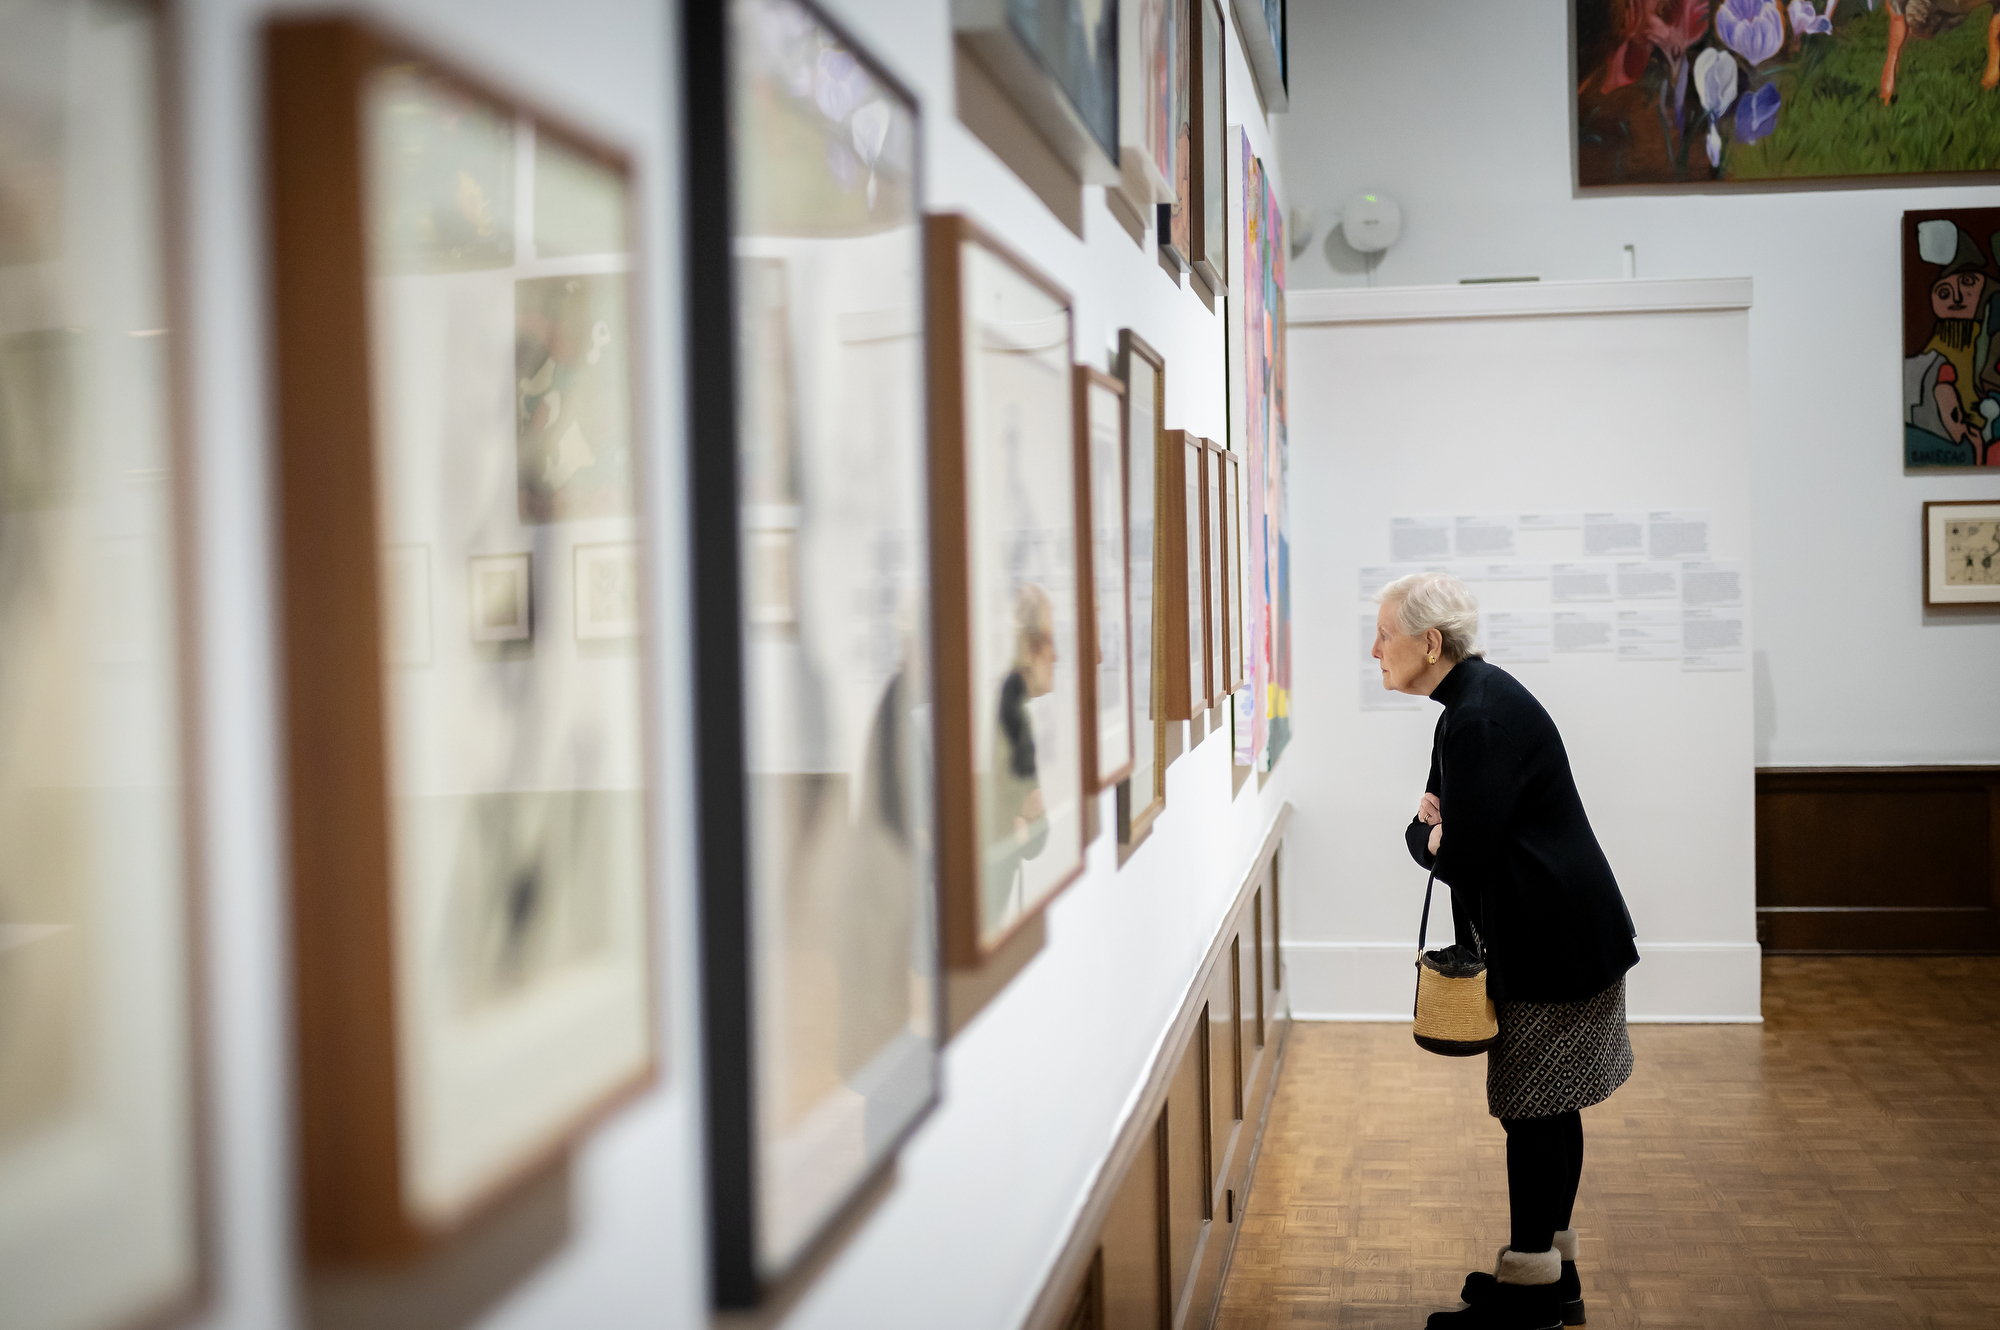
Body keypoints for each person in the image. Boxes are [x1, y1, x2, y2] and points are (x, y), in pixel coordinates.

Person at [1370, 571, 1639, 1330]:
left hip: (1552, 941)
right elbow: (1436, 832)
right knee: (1551, 1108)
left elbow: (1461, 853)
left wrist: (1436, 834)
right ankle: (1550, 1278)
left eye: (1384, 634)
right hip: (1558, 931)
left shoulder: (1478, 717)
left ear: (1429, 642)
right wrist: (1437, 832)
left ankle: (1531, 1297)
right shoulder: (1467, 704)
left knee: (1533, 1110)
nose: (1374, 649)